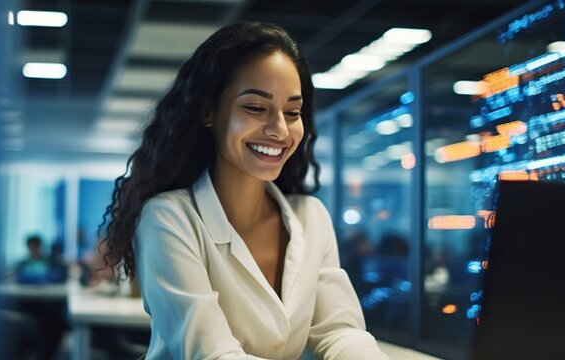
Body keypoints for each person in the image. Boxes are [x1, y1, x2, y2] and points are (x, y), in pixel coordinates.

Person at [100, 22, 389, 359]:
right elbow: (214, 354)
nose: (280, 130)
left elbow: (339, 331)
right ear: (208, 111)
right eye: (255, 108)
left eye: (292, 112)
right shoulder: (168, 218)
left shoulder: (311, 218)